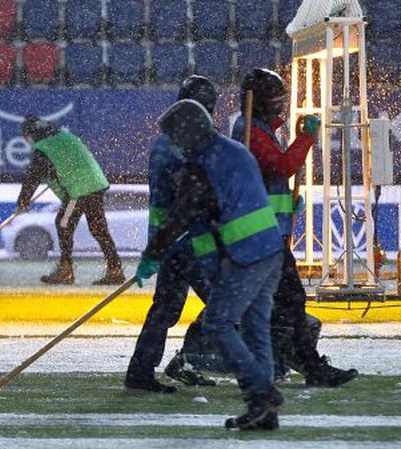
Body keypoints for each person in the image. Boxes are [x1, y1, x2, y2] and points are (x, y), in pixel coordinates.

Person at [143, 99, 285, 430]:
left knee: (218, 323)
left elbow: (182, 213)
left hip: (245, 255)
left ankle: (262, 392)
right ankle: (263, 412)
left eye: (175, 138)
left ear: (189, 132)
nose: (174, 146)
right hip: (270, 250)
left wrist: (153, 254)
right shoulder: (234, 151)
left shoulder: (202, 165)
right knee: (255, 330)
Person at [234, 68, 357, 388]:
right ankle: (308, 365)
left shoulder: (256, 128)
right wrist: (306, 138)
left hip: (264, 233)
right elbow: (282, 165)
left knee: (270, 303)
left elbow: (268, 178)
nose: (280, 106)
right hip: (261, 237)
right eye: (276, 101)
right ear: (260, 103)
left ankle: (282, 362)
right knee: (289, 299)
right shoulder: (249, 131)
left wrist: (288, 205)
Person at [124, 76, 219, 393]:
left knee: (165, 308)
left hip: (173, 240)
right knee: (224, 301)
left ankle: (141, 371)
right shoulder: (178, 146)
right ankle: (191, 359)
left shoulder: (174, 139)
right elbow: (193, 197)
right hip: (185, 241)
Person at [17, 116, 125, 285]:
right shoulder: (67, 137)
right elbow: (68, 164)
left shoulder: (42, 148)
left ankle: (65, 270)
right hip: (96, 184)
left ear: (31, 134)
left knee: (63, 223)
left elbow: (33, 177)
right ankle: (115, 269)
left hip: (80, 189)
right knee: (98, 229)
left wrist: (23, 201)